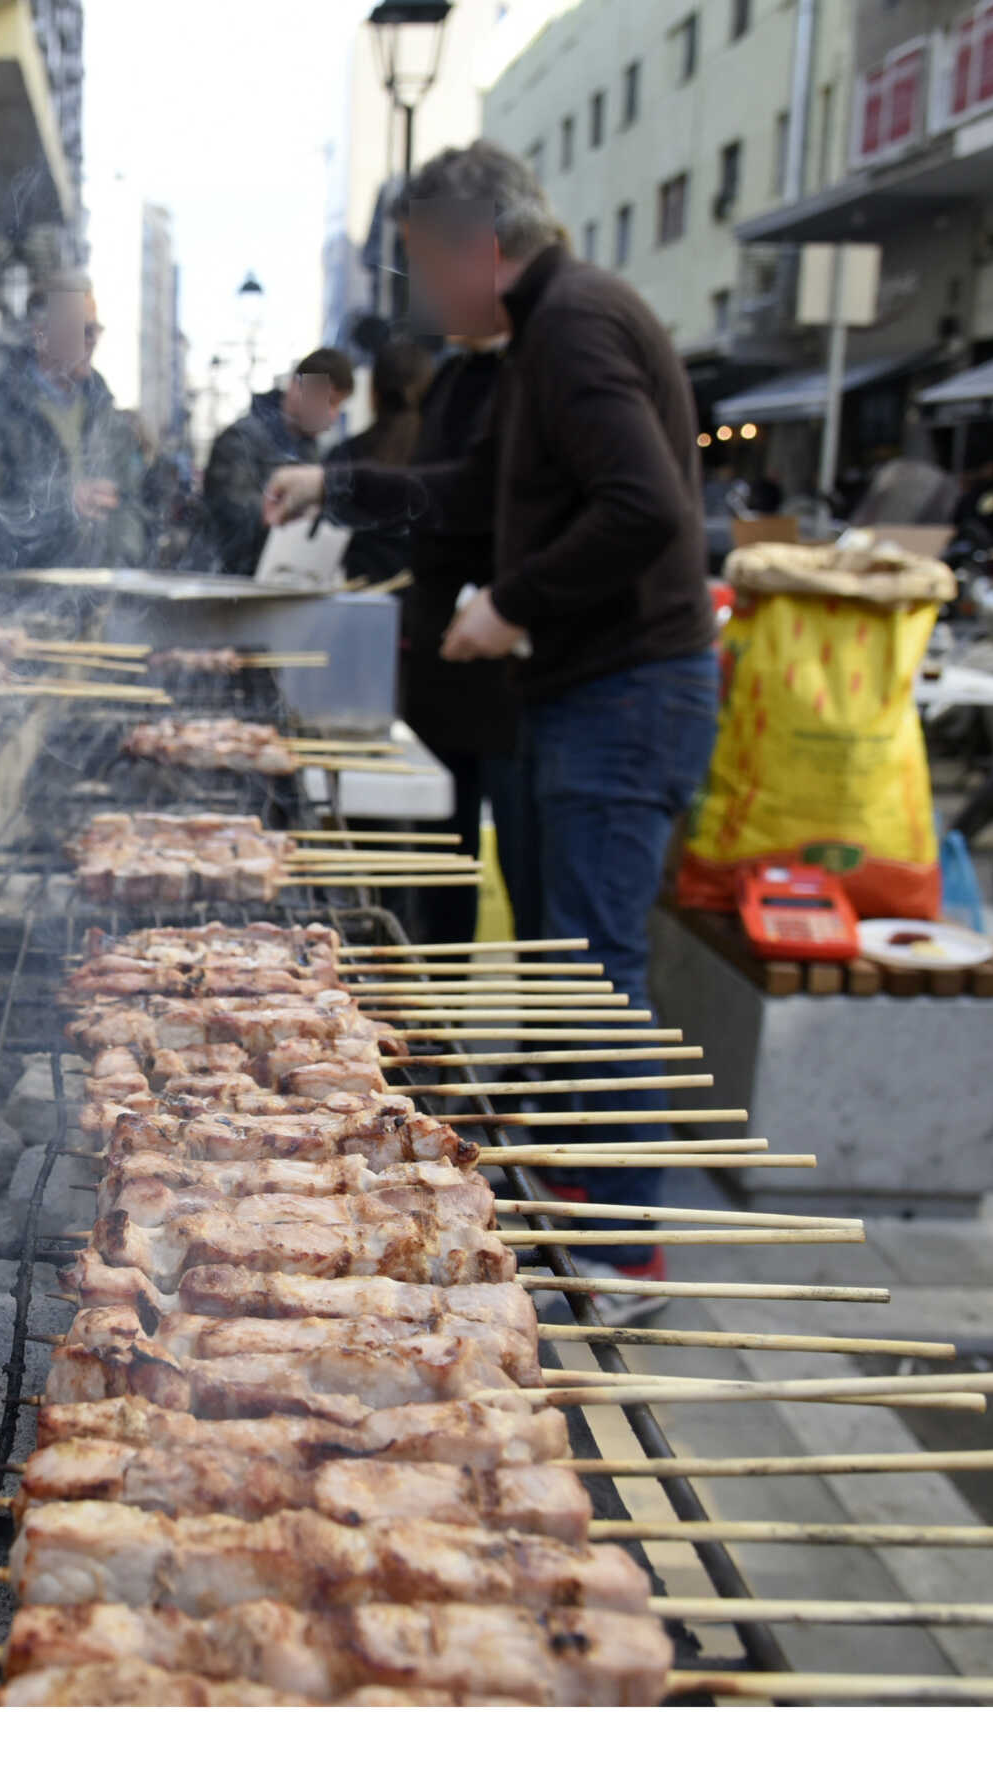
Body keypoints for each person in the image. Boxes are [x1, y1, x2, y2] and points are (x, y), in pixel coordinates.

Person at [270, 141, 716, 1309]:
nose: (418, 297)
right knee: (572, 957)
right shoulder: (538, 335)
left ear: (480, 246)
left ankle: (624, 1250)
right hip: (594, 694)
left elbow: (644, 508)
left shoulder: (571, 326)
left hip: (626, 694)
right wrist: (340, 486)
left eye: (422, 265)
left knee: (594, 970)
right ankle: (582, 1196)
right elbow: (481, 492)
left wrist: (509, 605)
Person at [293, 334, 539, 950]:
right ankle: (436, 1010)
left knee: (490, 868)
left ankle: (442, 992)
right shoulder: (462, 381)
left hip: (490, 674)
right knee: (482, 866)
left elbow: (473, 496)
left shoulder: (531, 374)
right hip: (450, 671)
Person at [0, 271, 149, 571]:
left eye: (94, 330)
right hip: (22, 597)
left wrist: (117, 568)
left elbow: (132, 507)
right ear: (40, 333)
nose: (92, 340)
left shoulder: (106, 414)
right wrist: (61, 505)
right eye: (80, 331)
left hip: (100, 596)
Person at [197, 348, 352, 575]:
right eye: (326, 400)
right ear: (295, 388)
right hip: (231, 579)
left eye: (337, 405)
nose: (331, 414)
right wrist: (296, 511)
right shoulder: (241, 439)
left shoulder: (311, 451)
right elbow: (231, 510)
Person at [321, 333, 431, 586]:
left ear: (373, 392)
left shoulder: (343, 457)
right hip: (428, 605)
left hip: (354, 603)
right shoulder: (441, 461)